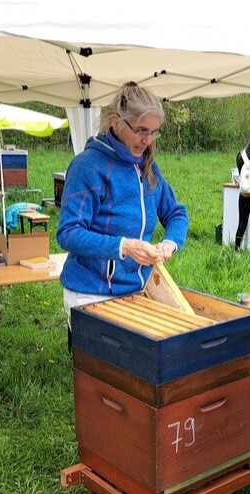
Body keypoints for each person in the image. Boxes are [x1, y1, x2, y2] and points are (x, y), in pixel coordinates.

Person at [56, 82, 188, 324]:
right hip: (89, 294)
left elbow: (177, 213)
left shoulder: (148, 167)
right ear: (116, 122)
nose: (147, 140)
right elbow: (68, 233)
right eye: (141, 130)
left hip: (137, 291)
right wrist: (124, 246)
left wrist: (170, 242)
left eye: (153, 132)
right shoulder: (88, 166)